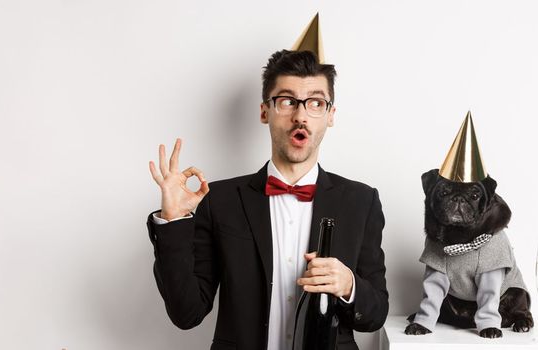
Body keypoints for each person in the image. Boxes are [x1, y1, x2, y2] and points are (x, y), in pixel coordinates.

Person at [145, 47, 389, 350]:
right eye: (287, 101)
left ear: (330, 115)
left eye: (315, 103)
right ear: (265, 111)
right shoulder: (219, 199)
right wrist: (174, 222)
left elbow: (375, 315)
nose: (300, 116)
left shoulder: (361, 201)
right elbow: (187, 313)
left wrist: (349, 285)